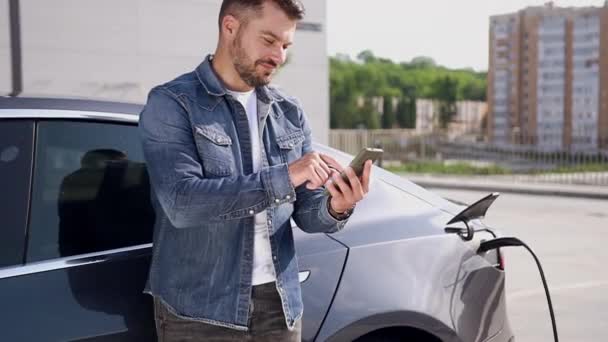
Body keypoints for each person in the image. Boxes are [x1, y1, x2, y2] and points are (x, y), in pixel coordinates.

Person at [138, 0, 372, 340]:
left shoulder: (288, 111)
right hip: (199, 312)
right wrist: (287, 175)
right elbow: (182, 204)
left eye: (285, 45)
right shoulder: (172, 104)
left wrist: (338, 204)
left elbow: (307, 214)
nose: (279, 55)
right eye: (268, 40)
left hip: (280, 306)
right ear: (230, 27)